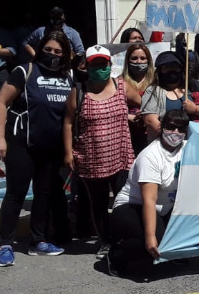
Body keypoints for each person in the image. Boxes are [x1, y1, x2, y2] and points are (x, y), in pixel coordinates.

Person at [0, 30, 73, 267]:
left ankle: (39, 241)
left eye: (58, 51)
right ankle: (4, 244)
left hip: (51, 148)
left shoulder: (67, 77)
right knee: (15, 195)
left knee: (44, 195)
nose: (52, 55)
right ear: (39, 50)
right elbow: (1, 102)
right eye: (48, 50)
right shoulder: (24, 71)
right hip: (21, 144)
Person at [63, 45, 135, 259]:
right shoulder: (79, 91)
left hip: (121, 156)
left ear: (110, 65)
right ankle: (105, 240)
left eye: (103, 64)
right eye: (95, 64)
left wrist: (133, 117)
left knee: (124, 201)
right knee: (99, 204)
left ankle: (123, 239)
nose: (99, 68)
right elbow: (67, 123)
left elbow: (142, 104)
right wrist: (68, 153)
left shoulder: (122, 86)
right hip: (91, 159)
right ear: (87, 66)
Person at [107, 110, 190, 277]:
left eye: (181, 129)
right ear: (161, 127)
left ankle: (172, 251)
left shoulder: (188, 148)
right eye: (171, 127)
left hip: (166, 208)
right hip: (133, 206)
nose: (176, 133)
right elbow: (149, 200)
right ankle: (117, 254)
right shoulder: (150, 157)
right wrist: (150, 236)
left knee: (181, 237)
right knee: (156, 242)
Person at [141, 51, 199, 141]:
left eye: (174, 67)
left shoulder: (195, 86)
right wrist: (174, 136)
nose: (171, 70)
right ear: (160, 71)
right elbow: (150, 120)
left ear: (181, 69)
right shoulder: (153, 91)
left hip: (194, 141)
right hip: (165, 143)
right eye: (166, 68)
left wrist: (196, 109)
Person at [121, 43, 155, 156]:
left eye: (143, 58)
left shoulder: (156, 81)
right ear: (128, 61)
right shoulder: (118, 82)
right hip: (127, 135)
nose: (139, 61)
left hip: (150, 135)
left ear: (148, 60)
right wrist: (128, 116)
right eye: (134, 58)